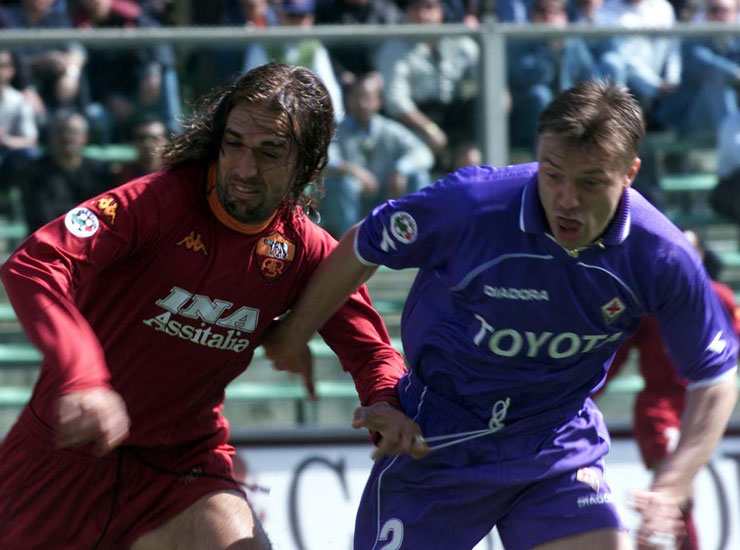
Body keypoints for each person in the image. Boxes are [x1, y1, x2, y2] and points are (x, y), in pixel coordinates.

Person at [262, 80, 739, 550]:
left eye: (590, 182)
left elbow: (715, 378)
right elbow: (365, 245)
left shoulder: (661, 254)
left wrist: (675, 482)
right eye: (552, 174)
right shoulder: (472, 204)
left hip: (553, 442)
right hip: (435, 441)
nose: (567, 199)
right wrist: (296, 332)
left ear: (629, 172)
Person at [0, 63, 409, 550]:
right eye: (233, 143)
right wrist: (83, 375)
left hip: (182, 466)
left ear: (309, 164)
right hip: (64, 452)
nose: (243, 168)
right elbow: (35, 263)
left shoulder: (306, 251)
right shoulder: (157, 203)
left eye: (269, 151)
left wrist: (384, 400)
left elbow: (374, 354)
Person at [602, 229, 740, 550]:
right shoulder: (648, 306)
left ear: (701, 256)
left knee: (677, 496)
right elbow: (617, 355)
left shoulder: (717, 296)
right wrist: (585, 392)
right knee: (671, 493)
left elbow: (731, 348)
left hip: (698, 409)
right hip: (659, 409)